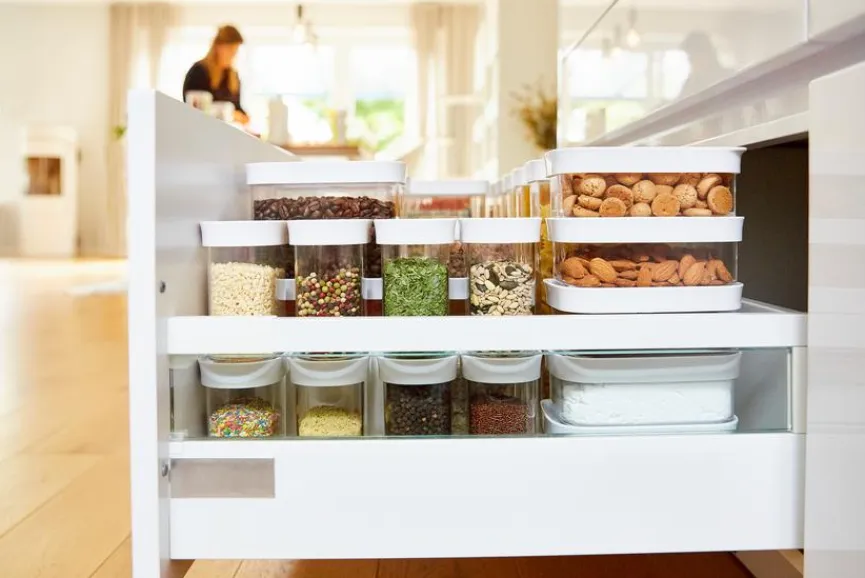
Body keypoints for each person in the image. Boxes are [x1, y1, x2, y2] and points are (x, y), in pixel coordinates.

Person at [183, 25, 249, 124]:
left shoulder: (233, 76)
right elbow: (193, 107)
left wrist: (243, 116)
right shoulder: (198, 72)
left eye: (235, 51)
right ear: (219, 46)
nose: (233, 55)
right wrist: (231, 113)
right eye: (231, 49)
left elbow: (237, 107)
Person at [679, 32, 730, 98]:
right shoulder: (689, 84)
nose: (691, 61)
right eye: (690, 57)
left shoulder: (727, 77)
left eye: (695, 56)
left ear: (708, 54)